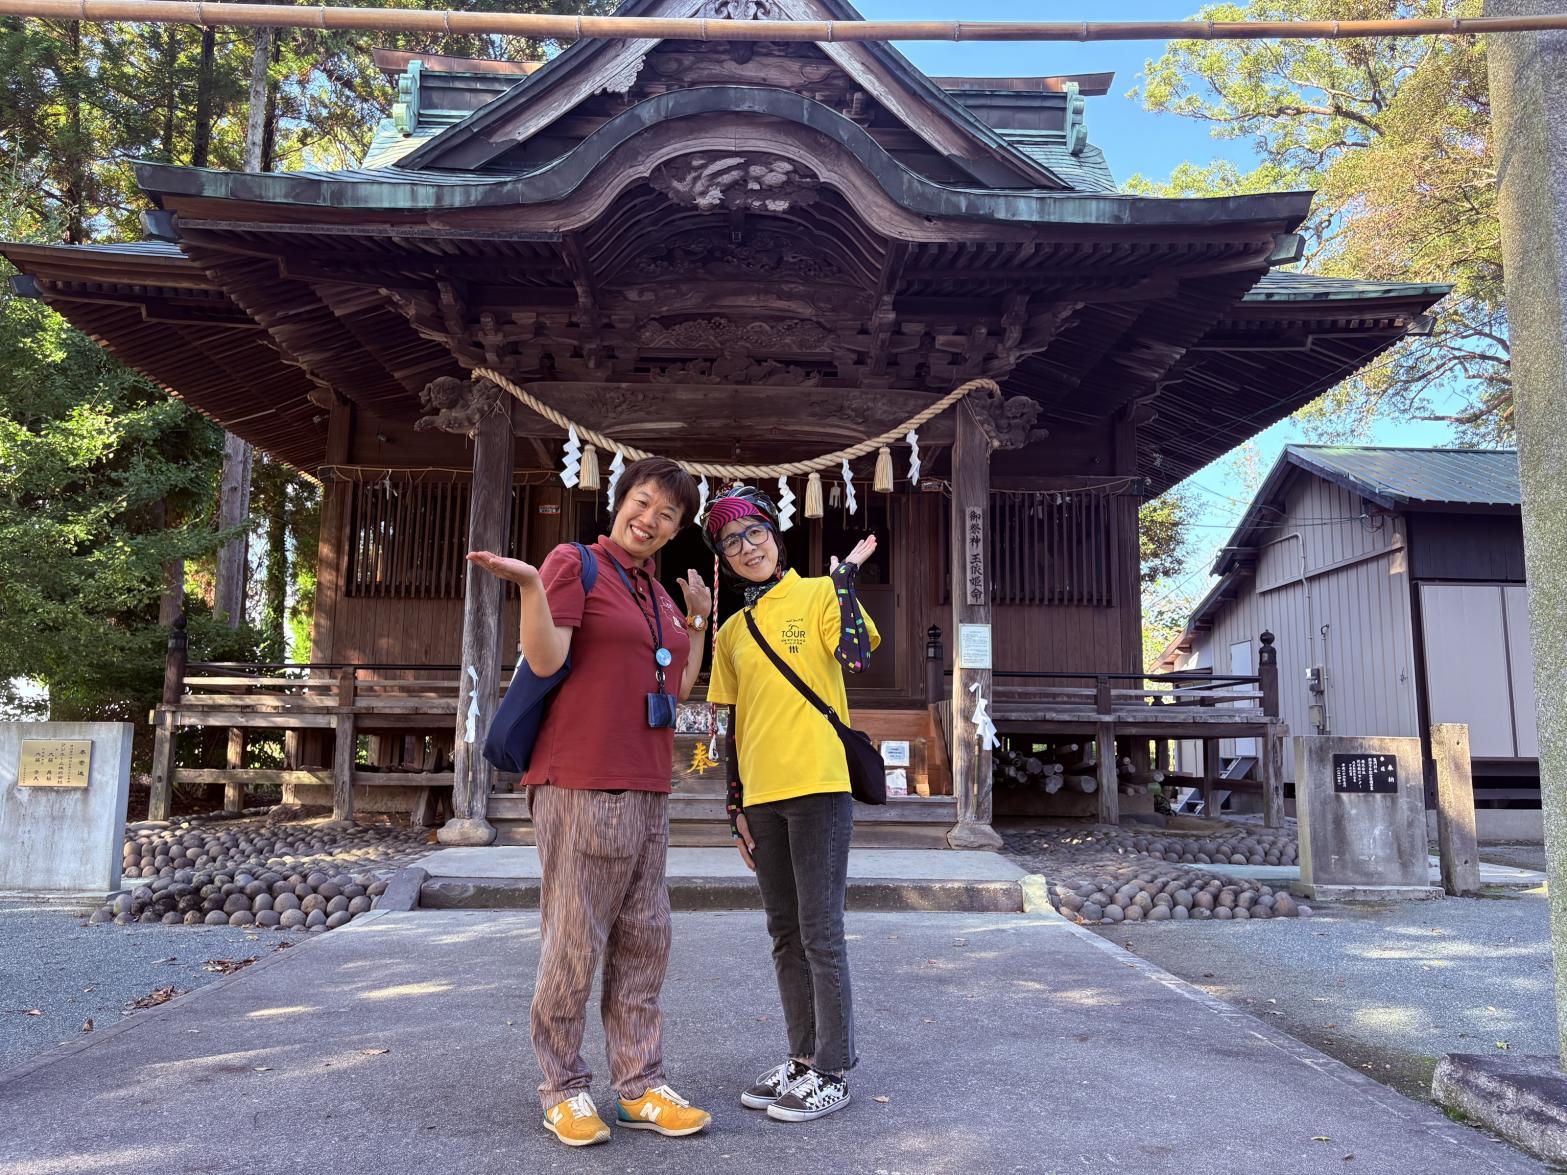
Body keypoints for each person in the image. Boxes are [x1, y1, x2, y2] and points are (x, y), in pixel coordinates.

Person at [466, 457, 714, 1149]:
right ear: (618, 501)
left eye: (668, 514)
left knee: (645, 938)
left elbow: (680, 689)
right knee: (575, 939)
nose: (651, 519)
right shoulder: (573, 563)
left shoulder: (657, 593)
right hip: (579, 779)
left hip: (646, 782)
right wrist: (527, 589)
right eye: (643, 502)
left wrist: (695, 623)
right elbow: (546, 660)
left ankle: (638, 1085)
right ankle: (563, 1087)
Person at [701, 485, 879, 1123]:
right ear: (722, 556)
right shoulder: (730, 632)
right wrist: (734, 808)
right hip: (763, 797)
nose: (745, 548)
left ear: (775, 537)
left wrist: (846, 583)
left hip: (819, 786)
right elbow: (731, 724)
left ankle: (833, 1067)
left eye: (753, 534)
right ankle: (802, 1057)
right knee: (784, 934)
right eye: (730, 541)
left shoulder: (819, 593)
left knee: (821, 932)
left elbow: (856, 654)